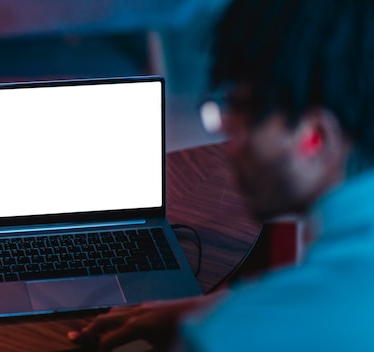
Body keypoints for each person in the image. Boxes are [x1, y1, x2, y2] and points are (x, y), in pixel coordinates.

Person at [68, 0, 374, 350]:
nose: (230, 142)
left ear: (313, 137)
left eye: (240, 109)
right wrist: (214, 307)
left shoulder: (233, 337)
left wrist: (227, 322)